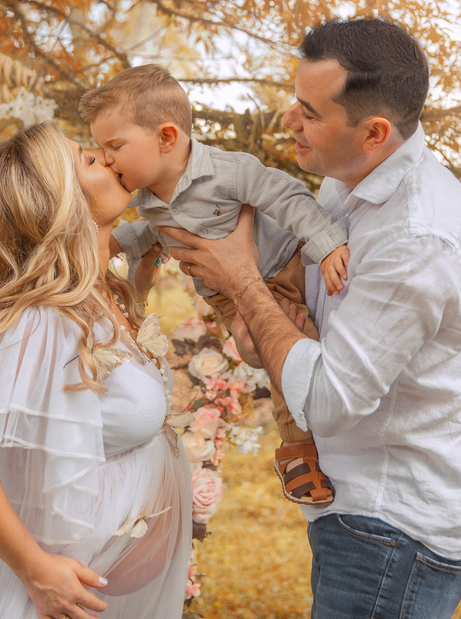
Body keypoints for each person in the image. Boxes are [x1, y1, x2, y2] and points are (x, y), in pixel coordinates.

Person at [161, 18, 461, 619]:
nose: (288, 119)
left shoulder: (416, 236)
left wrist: (242, 281)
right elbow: (311, 333)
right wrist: (265, 328)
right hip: (353, 512)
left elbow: (329, 401)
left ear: (374, 133)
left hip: (391, 529)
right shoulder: (344, 186)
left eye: (309, 113)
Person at [0, 121, 192, 619]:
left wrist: (139, 287)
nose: (108, 156)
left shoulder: (100, 295)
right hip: (30, 598)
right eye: (89, 160)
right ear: (60, 205)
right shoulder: (41, 318)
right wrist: (35, 569)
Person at [79, 65, 349, 506]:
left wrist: (327, 243)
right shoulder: (147, 199)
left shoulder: (226, 171)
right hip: (226, 297)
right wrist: (102, 245)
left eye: (115, 146)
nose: (106, 158)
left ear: (167, 138)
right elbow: (150, 235)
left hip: (278, 268)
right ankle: (299, 440)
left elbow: (284, 195)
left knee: (298, 348)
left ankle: (309, 447)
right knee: (271, 354)